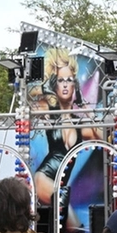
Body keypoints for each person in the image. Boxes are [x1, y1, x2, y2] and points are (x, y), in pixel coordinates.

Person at [33, 48, 102, 206]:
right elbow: (31, 97)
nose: (65, 85)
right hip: (43, 178)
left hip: (61, 186)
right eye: (60, 80)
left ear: (75, 85)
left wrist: (88, 111)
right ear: (54, 84)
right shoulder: (49, 111)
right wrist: (46, 89)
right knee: (65, 212)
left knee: (67, 223)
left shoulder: (79, 123)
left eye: (69, 80)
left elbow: (104, 137)